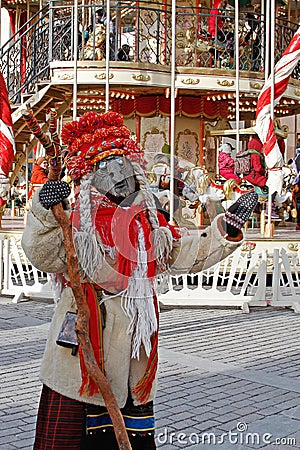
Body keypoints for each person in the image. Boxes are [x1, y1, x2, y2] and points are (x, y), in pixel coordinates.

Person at [21, 111, 258, 450]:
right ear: (89, 176)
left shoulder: (148, 223)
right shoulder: (74, 223)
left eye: (123, 165)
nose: (118, 175)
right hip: (80, 358)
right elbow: (42, 253)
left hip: (133, 359)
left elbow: (183, 251)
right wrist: (44, 210)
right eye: (106, 167)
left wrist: (226, 230)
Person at [243, 0, 262, 71]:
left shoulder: (262, 15)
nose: (255, 8)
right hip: (258, 37)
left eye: (255, 5)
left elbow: (256, 26)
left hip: (262, 37)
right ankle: (255, 66)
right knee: (255, 51)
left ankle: (257, 66)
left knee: (257, 51)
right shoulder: (258, 16)